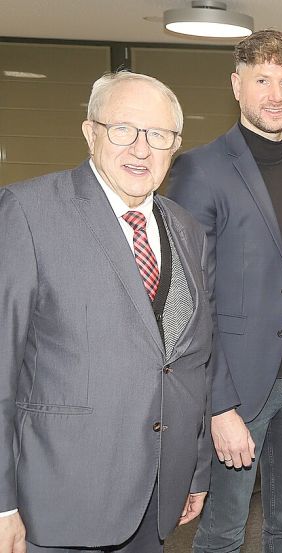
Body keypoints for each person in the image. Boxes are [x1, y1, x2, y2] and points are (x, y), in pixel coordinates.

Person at [0, 71, 213, 552]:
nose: (141, 149)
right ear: (90, 132)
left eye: (158, 135)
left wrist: (194, 467)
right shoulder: (27, 212)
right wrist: (1, 505)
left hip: (155, 497)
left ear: (175, 146)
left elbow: (193, 360)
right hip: (55, 504)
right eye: (123, 129)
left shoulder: (187, 229)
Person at [167, 29, 282, 552]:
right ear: (236, 85)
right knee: (223, 532)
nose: (276, 94)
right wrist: (218, 405)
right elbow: (187, 299)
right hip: (237, 389)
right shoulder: (198, 170)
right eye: (263, 80)